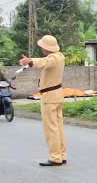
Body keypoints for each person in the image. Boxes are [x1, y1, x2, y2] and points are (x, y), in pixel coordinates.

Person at [19, 35, 66, 167]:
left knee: (51, 129)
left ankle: (56, 157)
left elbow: (44, 62)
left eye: (42, 47)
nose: (41, 49)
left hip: (50, 96)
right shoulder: (60, 56)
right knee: (58, 128)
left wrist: (30, 61)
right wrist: (31, 61)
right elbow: (46, 61)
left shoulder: (53, 58)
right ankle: (61, 155)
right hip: (56, 95)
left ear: (46, 48)